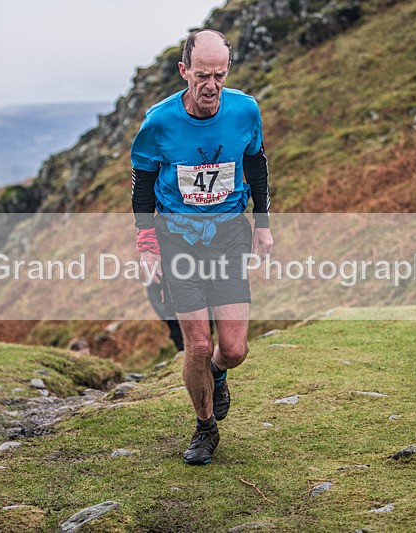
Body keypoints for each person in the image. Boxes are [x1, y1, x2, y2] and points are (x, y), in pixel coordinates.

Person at [131, 29, 273, 465]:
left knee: (233, 349)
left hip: (229, 236)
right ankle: (205, 427)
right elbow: (142, 186)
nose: (211, 85)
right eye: (201, 75)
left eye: (219, 75)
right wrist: (147, 242)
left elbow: (257, 166)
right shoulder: (158, 122)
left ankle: (216, 373)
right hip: (178, 240)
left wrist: (263, 226)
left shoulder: (245, 111)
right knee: (195, 343)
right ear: (183, 72)